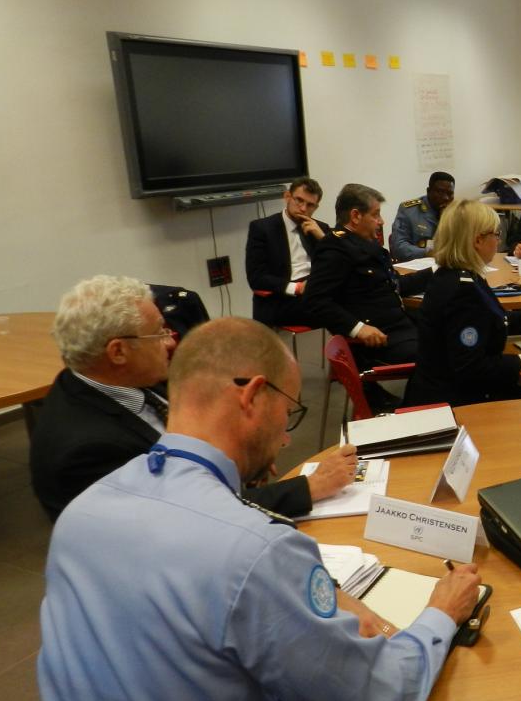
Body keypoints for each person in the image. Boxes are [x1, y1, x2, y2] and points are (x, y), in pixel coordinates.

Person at [31, 317, 481, 701]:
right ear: (252, 396)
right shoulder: (256, 550)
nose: (286, 438)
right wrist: (441, 614)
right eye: (288, 413)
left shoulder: (85, 509)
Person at [29, 275, 354, 521]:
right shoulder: (86, 451)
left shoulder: (124, 379)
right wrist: (309, 488)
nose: (171, 342)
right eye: (158, 332)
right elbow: (194, 517)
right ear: (118, 352)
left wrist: (245, 450)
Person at [404, 199, 521, 407]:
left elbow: (492, 320)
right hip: (456, 404)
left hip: (439, 388)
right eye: (496, 235)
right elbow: (472, 369)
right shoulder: (463, 291)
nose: (498, 241)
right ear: (478, 241)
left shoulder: (450, 275)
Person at [304, 183, 432, 373]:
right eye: (375, 214)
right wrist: (358, 328)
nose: (381, 221)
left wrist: (435, 272)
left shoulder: (367, 245)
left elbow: (394, 286)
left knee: (452, 332)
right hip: (378, 339)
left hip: (400, 325)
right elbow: (315, 301)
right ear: (355, 216)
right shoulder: (334, 249)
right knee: (443, 353)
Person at [245, 176, 332, 326]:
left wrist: (323, 239)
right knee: (334, 311)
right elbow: (256, 277)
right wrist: (297, 288)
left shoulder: (320, 229)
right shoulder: (262, 229)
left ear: (316, 207)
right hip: (282, 297)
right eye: (299, 200)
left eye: (310, 205)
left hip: (315, 293)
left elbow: (337, 266)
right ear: (287, 197)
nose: (304, 209)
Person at [389, 171, 455, 261]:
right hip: (417, 267)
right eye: (440, 192)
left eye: (450, 193)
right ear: (428, 191)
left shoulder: (458, 212)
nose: (445, 198)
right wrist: (428, 253)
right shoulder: (409, 210)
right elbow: (398, 248)